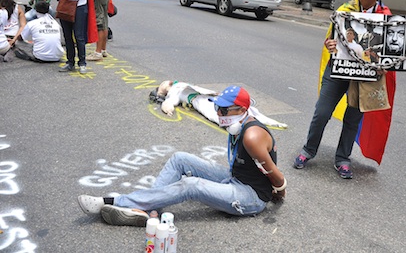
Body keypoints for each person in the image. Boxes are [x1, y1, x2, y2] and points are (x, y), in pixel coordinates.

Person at [78, 86, 286, 226]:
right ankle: (148, 210)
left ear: (241, 109)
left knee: (191, 185)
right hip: (235, 178)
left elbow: (276, 177)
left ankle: (116, 201)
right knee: (179, 159)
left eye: (223, 110)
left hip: (250, 196)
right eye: (217, 108)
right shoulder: (237, 124)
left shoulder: (251, 136)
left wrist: (279, 194)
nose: (218, 114)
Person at [293, 0, 397, 179]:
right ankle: (308, 150)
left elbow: (388, 51)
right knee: (321, 113)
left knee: (353, 119)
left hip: (364, 78)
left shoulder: (385, 17)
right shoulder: (344, 10)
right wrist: (330, 44)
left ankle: (342, 159)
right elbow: (331, 40)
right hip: (338, 71)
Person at [152, 80, 288, 128]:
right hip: (203, 100)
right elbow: (170, 102)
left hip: (204, 100)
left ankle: (249, 120)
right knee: (219, 113)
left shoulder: (177, 87)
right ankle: (247, 120)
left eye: (163, 86)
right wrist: (167, 105)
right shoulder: (177, 89)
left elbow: (170, 101)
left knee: (220, 112)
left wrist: (166, 105)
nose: (162, 88)